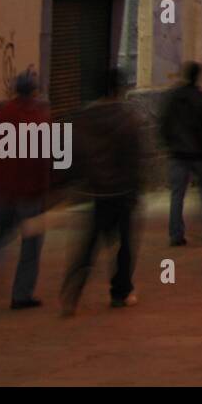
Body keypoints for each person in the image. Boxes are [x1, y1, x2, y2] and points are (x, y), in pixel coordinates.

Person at [60, 69, 143, 314]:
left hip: (96, 193)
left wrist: (74, 182)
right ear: (118, 89)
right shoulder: (128, 119)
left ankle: (73, 290)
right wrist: (135, 188)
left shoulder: (83, 120)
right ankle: (120, 292)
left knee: (88, 245)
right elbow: (133, 158)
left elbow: (72, 154)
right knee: (124, 246)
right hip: (122, 192)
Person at [0, 72, 51, 311]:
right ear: (34, 92)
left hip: (2, 191)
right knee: (32, 245)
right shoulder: (39, 119)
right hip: (30, 195)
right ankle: (21, 294)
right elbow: (45, 159)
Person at [161, 61, 202, 247]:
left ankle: (176, 234)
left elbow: (164, 123)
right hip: (198, 154)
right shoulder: (201, 98)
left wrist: (169, 144)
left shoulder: (173, 97)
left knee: (177, 196)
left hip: (178, 153)